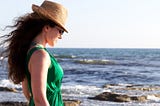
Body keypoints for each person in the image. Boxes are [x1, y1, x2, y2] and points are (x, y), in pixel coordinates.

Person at [0, 0, 68, 106]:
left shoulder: (30, 52)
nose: (61, 36)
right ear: (46, 27)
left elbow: (27, 93)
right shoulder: (41, 55)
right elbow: (39, 99)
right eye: (60, 31)